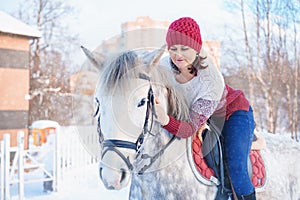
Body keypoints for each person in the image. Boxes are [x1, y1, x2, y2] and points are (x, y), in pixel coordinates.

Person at [155, 17, 256, 200]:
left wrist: (165, 120)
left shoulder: (210, 79)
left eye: (184, 48)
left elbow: (189, 129)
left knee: (236, 166)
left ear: (196, 48)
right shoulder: (162, 66)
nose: (178, 55)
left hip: (232, 113)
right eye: (173, 48)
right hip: (201, 116)